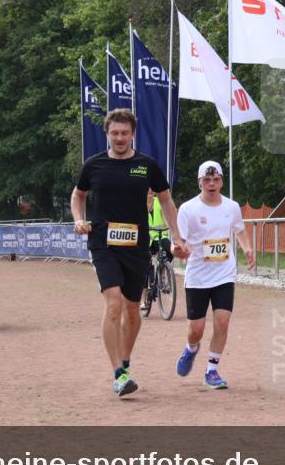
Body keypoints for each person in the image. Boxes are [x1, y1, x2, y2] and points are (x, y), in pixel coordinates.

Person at [71, 108, 188, 397]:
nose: (120, 138)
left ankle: (125, 361)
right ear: (107, 134)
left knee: (133, 309)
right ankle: (118, 374)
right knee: (113, 303)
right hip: (103, 243)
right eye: (115, 133)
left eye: (125, 133)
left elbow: (166, 199)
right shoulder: (94, 165)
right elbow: (78, 194)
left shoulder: (146, 165)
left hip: (136, 245)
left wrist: (176, 235)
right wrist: (78, 219)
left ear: (133, 134)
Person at [174, 161, 254, 389]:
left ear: (221, 181)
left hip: (224, 274)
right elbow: (178, 242)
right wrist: (179, 250)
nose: (211, 184)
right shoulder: (188, 209)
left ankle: (212, 371)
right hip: (198, 276)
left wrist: (247, 248)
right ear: (199, 182)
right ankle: (191, 348)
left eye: (216, 179)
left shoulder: (232, 207)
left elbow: (239, 230)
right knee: (196, 330)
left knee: (222, 321)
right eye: (207, 180)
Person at [141, 189, 173, 314]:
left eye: (152, 188)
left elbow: (165, 217)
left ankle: (163, 271)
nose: (149, 190)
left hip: (160, 237)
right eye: (147, 187)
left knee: (171, 249)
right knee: (145, 267)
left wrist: (170, 225)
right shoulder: (138, 203)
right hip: (146, 239)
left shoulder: (159, 202)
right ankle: (143, 300)